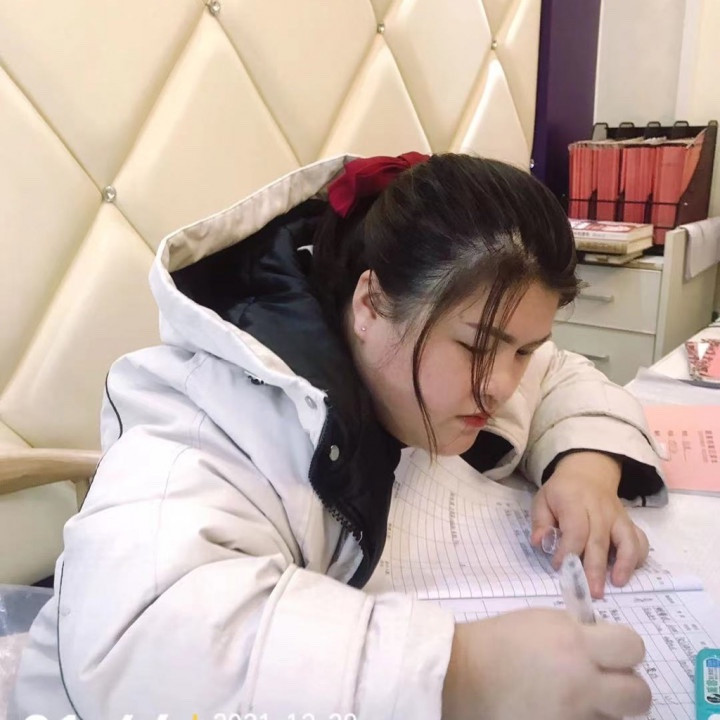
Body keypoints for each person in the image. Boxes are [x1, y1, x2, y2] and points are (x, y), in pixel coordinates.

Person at [10, 153, 665, 720]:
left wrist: (586, 465)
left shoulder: (442, 356)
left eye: (523, 350)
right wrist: (457, 674)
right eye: (477, 347)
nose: (501, 384)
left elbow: (561, 375)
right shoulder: (212, 415)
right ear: (370, 302)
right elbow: (140, 634)